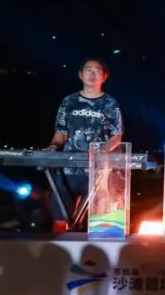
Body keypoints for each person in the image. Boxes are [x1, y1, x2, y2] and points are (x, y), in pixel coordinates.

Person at [45, 58, 123, 226]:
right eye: (88, 70)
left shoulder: (110, 104)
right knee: (60, 219)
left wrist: (101, 151)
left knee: (101, 222)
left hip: (98, 171)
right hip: (69, 169)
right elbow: (60, 133)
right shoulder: (69, 102)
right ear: (80, 75)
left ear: (104, 76)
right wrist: (53, 147)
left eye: (97, 71)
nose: (92, 74)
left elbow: (116, 136)